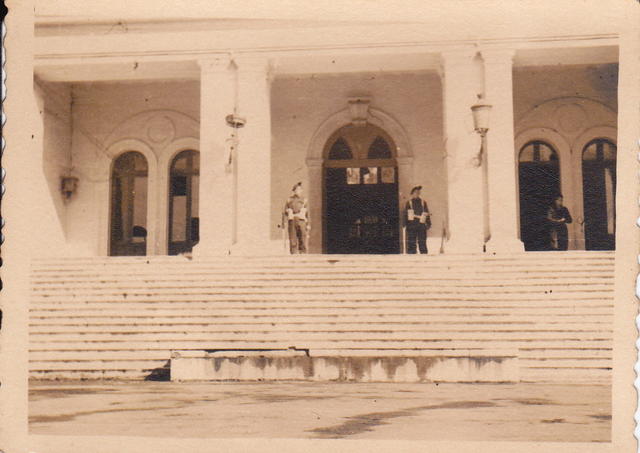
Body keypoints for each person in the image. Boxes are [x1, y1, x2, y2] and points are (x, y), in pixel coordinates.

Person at [283, 182, 310, 254]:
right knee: (293, 239)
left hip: (301, 221)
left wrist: (308, 224)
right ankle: (294, 255)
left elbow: (307, 213)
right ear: (294, 191)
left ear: (301, 191)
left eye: (300, 189)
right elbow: (285, 212)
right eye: (297, 190)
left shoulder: (304, 200)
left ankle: (303, 254)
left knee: (303, 239)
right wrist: (284, 222)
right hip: (292, 221)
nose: (298, 191)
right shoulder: (289, 200)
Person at [404, 186, 431, 254]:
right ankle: (411, 257)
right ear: (412, 193)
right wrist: (405, 224)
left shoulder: (423, 202)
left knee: (422, 242)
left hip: (421, 224)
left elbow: (426, 212)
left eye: (418, 192)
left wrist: (428, 223)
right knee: (411, 242)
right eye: (415, 192)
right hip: (412, 225)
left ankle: (424, 257)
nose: (417, 194)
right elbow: (406, 214)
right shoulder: (409, 203)